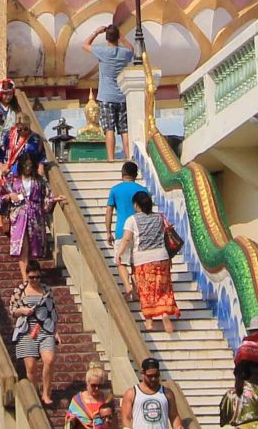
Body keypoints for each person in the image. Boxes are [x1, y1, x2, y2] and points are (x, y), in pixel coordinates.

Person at [117, 190, 179, 332]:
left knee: (146, 291)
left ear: (136, 205)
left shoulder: (132, 220)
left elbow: (126, 239)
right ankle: (164, 314)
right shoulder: (160, 217)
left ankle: (149, 322)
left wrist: (119, 254)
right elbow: (167, 235)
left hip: (143, 260)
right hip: (162, 257)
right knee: (163, 289)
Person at [87, 21, 143, 159]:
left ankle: (111, 159)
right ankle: (129, 156)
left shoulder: (103, 52)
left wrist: (96, 32)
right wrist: (121, 37)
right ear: (117, 37)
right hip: (122, 96)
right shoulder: (124, 53)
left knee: (109, 129)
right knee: (124, 130)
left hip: (106, 97)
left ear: (107, 38)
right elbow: (132, 49)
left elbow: (85, 45)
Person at [8, 274, 59, 401]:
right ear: (27, 277)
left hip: (45, 330)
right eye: (31, 277)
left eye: (37, 277)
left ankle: (46, 393)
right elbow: (13, 311)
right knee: (31, 367)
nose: (34, 279)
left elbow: (53, 312)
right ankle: (35, 394)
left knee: (49, 360)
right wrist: (23, 311)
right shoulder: (20, 291)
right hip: (26, 331)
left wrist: (56, 331)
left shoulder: (47, 291)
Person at [7, 147, 52, 268]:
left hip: (35, 214)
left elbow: (48, 194)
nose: (28, 168)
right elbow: (2, 196)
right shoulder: (13, 179)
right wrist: (10, 196)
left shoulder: (39, 179)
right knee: (23, 245)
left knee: (33, 246)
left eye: (30, 165)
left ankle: (30, 272)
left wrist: (53, 200)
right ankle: (24, 276)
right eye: (25, 165)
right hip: (19, 214)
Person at [107, 161, 146, 291]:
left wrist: (108, 232)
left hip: (121, 231)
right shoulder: (142, 190)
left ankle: (128, 287)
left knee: (120, 261)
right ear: (136, 174)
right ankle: (136, 291)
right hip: (139, 231)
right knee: (136, 263)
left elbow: (109, 211)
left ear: (122, 174)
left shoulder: (115, 190)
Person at [125, 357, 176, 429]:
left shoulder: (167, 393)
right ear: (142, 374)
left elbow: (174, 416)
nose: (153, 379)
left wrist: (178, 426)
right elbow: (126, 418)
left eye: (156, 375)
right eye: (150, 376)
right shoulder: (132, 393)